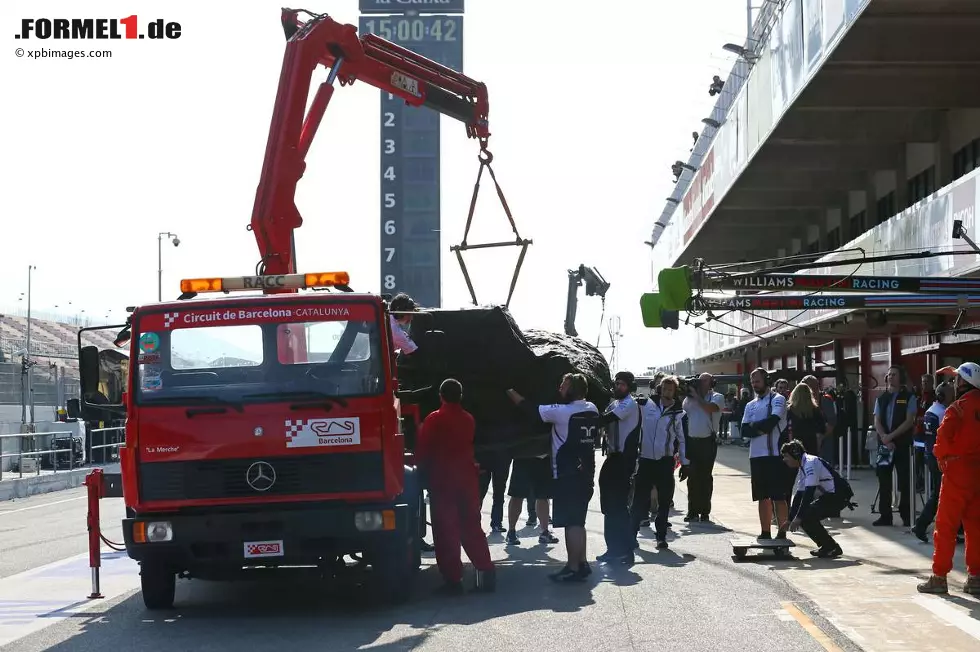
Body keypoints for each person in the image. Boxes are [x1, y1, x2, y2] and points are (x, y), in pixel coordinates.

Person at [507, 373, 600, 582]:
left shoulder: (562, 412)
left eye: (563, 385)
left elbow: (528, 408)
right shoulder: (592, 408)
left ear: (572, 389)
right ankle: (582, 562)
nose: (559, 388)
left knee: (571, 523)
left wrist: (509, 389)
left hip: (568, 475)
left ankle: (573, 567)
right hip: (585, 473)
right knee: (579, 521)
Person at [416, 378, 496, 594]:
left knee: (446, 531)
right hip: (467, 480)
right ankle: (486, 571)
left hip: (443, 481)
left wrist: (418, 471)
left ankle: (453, 580)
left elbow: (424, 450)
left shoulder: (434, 419)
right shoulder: (468, 419)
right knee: (472, 526)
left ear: (440, 396)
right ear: (461, 396)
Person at [917, 363, 980, 595]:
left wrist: (940, 458)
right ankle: (975, 578)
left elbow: (941, 441)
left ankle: (939, 577)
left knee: (946, 527)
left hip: (957, 472)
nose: (953, 384)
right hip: (978, 474)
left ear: (964, 382)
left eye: (956, 380)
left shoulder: (957, 408)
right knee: (975, 528)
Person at [634, 375, 689, 551]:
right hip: (646, 459)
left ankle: (661, 537)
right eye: (664, 388)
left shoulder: (679, 413)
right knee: (639, 498)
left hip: (665, 461)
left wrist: (685, 463)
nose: (666, 392)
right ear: (660, 389)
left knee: (664, 501)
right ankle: (631, 535)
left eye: (670, 389)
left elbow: (682, 439)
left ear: (674, 391)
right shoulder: (645, 405)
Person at [596, 371, 642, 564]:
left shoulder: (629, 404)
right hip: (613, 457)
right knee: (609, 504)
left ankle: (626, 547)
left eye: (622, 384)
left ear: (630, 387)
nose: (618, 387)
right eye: (616, 384)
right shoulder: (614, 403)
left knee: (618, 505)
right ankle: (613, 547)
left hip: (624, 459)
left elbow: (605, 419)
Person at [741, 368, 791, 540]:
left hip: (775, 455)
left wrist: (755, 427)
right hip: (756, 456)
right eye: (752, 382)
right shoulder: (750, 405)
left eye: (758, 381)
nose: (755, 385)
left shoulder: (778, 399)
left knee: (778, 496)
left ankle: (782, 532)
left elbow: (773, 422)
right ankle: (765, 531)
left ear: (767, 380)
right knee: (762, 497)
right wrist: (759, 428)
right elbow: (744, 430)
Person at [780, 439, 852, 558]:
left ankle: (832, 547)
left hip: (839, 496)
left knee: (806, 515)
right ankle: (826, 546)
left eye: (786, 456)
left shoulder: (810, 463)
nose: (784, 459)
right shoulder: (802, 465)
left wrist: (798, 517)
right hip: (830, 496)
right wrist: (790, 518)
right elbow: (799, 495)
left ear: (795, 455)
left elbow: (809, 493)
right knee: (804, 516)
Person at [872, 365, 918, 527]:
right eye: (889, 374)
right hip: (885, 446)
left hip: (902, 445)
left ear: (901, 378)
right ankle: (885, 516)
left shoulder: (909, 397)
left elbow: (908, 421)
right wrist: (884, 438)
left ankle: (907, 515)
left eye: (894, 374)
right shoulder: (881, 398)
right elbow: (877, 420)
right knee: (883, 481)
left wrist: (891, 437)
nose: (891, 377)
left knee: (904, 482)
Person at [912, 381, 954, 542]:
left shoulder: (932, 409)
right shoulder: (944, 413)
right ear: (943, 396)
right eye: (951, 394)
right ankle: (921, 525)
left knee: (942, 493)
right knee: (938, 494)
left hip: (931, 454)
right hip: (939, 457)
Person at [681, 373, 725, 523]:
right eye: (699, 381)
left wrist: (697, 396)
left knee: (705, 477)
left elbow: (709, 408)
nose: (700, 383)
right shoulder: (689, 399)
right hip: (692, 442)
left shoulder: (716, 397)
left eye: (704, 381)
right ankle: (692, 510)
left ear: (712, 383)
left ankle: (704, 511)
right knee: (692, 477)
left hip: (708, 441)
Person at [786, 383, 828, 457]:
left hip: (795, 443)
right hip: (811, 444)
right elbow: (821, 430)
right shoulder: (815, 410)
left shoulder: (790, 410)